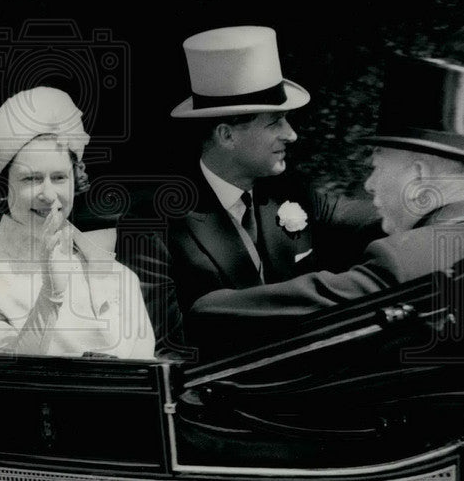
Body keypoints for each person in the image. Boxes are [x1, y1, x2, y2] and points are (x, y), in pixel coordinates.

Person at [187, 53, 464, 348]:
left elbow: (211, 313)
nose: (369, 185)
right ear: (224, 135)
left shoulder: (403, 261)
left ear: (417, 177)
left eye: (375, 168)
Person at [116, 26, 380, 344]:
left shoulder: (289, 191)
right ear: (227, 135)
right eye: (275, 122)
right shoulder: (152, 224)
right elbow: (165, 350)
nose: (291, 134)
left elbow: (371, 219)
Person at [0, 88, 156, 358]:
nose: (49, 195)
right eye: (31, 179)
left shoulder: (120, 276)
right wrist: (50, 295)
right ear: (1, 188)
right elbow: (3, 381)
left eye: (60, 178)